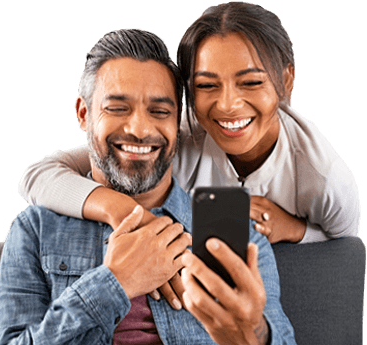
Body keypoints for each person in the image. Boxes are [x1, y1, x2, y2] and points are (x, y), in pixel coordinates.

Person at [0, 29, 296, 345]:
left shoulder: (240, 234)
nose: (139, 128)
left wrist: (251, 333)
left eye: (160, 111)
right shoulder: (36, 230)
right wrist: (114, 284)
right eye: (118, 108)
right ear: (84, 113)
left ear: (177, 124)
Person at [18, 2, 360, 246]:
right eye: (206, 85)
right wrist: (119, 208)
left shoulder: (323, 175)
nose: (227, 105)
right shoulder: (179, 136)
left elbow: (345, 248)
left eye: (251, 83)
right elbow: (39, 176)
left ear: (286, 80)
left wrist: (295, 230)